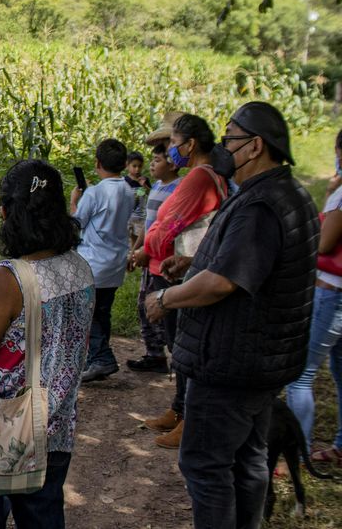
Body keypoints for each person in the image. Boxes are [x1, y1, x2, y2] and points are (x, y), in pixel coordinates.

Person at [145, 101, 317, 529]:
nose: (223, 148)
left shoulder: (261, 207)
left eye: (230, 140)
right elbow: (251, 265)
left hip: (230, 363)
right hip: (260, 363)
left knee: (206, 466)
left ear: (255, 146)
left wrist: (167, 299)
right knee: (248, 460)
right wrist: (194, 263)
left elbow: (223, 282)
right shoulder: (289, 195)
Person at [0, 160, 94, 528]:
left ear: (5, 212)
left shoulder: (10, 279)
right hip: (54, 429)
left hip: (1, 432)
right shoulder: (80, 268)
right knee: (43, 516)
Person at [136, 114, 230, 448]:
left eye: (174, 144)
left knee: (183, 348)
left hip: (181, 272)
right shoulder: (207, 176)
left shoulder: (198, 179)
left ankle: (188, 418)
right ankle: (179, 410)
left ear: (191, 145)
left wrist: (150, 244)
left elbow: (166, 230)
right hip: (185, 266)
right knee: (180, 345)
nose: (171, 150)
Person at [284, 126, 342, 465]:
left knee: (301, 375)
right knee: (339, 372)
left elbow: (324, 244)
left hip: (330, 293)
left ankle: (298, 451)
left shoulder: (340, 195)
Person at [71, 138, 135, 382]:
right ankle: (97, 358)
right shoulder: (129, 190)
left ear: (97, 162)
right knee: (103, 312)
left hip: (93, 264)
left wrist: (75, 201)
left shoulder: (95, 192)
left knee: (89, 314)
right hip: (116, 263)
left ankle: (102, 359)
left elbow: (77, 224)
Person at [125, 138, 183, 375]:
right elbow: (150, 225)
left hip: (163, 261)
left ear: (172, 163)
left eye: (157, 160)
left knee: (166, 309)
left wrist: (146, 251)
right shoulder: (157, 186)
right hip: (149, 255)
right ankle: (155, 353)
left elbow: (170, 229)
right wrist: (136, 249)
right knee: (144, 305)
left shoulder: (178, 189)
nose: (151, 165)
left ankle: (173, 356)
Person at [124, 150, 151, 248]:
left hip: (140, 217)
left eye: (139, 166)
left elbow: (150, 194)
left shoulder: (144, 180)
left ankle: (135, 258)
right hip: (127, 217)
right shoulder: (124, 181)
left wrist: (144, 186)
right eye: (134, 166)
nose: (137, 169)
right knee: (128, 239)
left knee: (138, 241)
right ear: (127, 165)